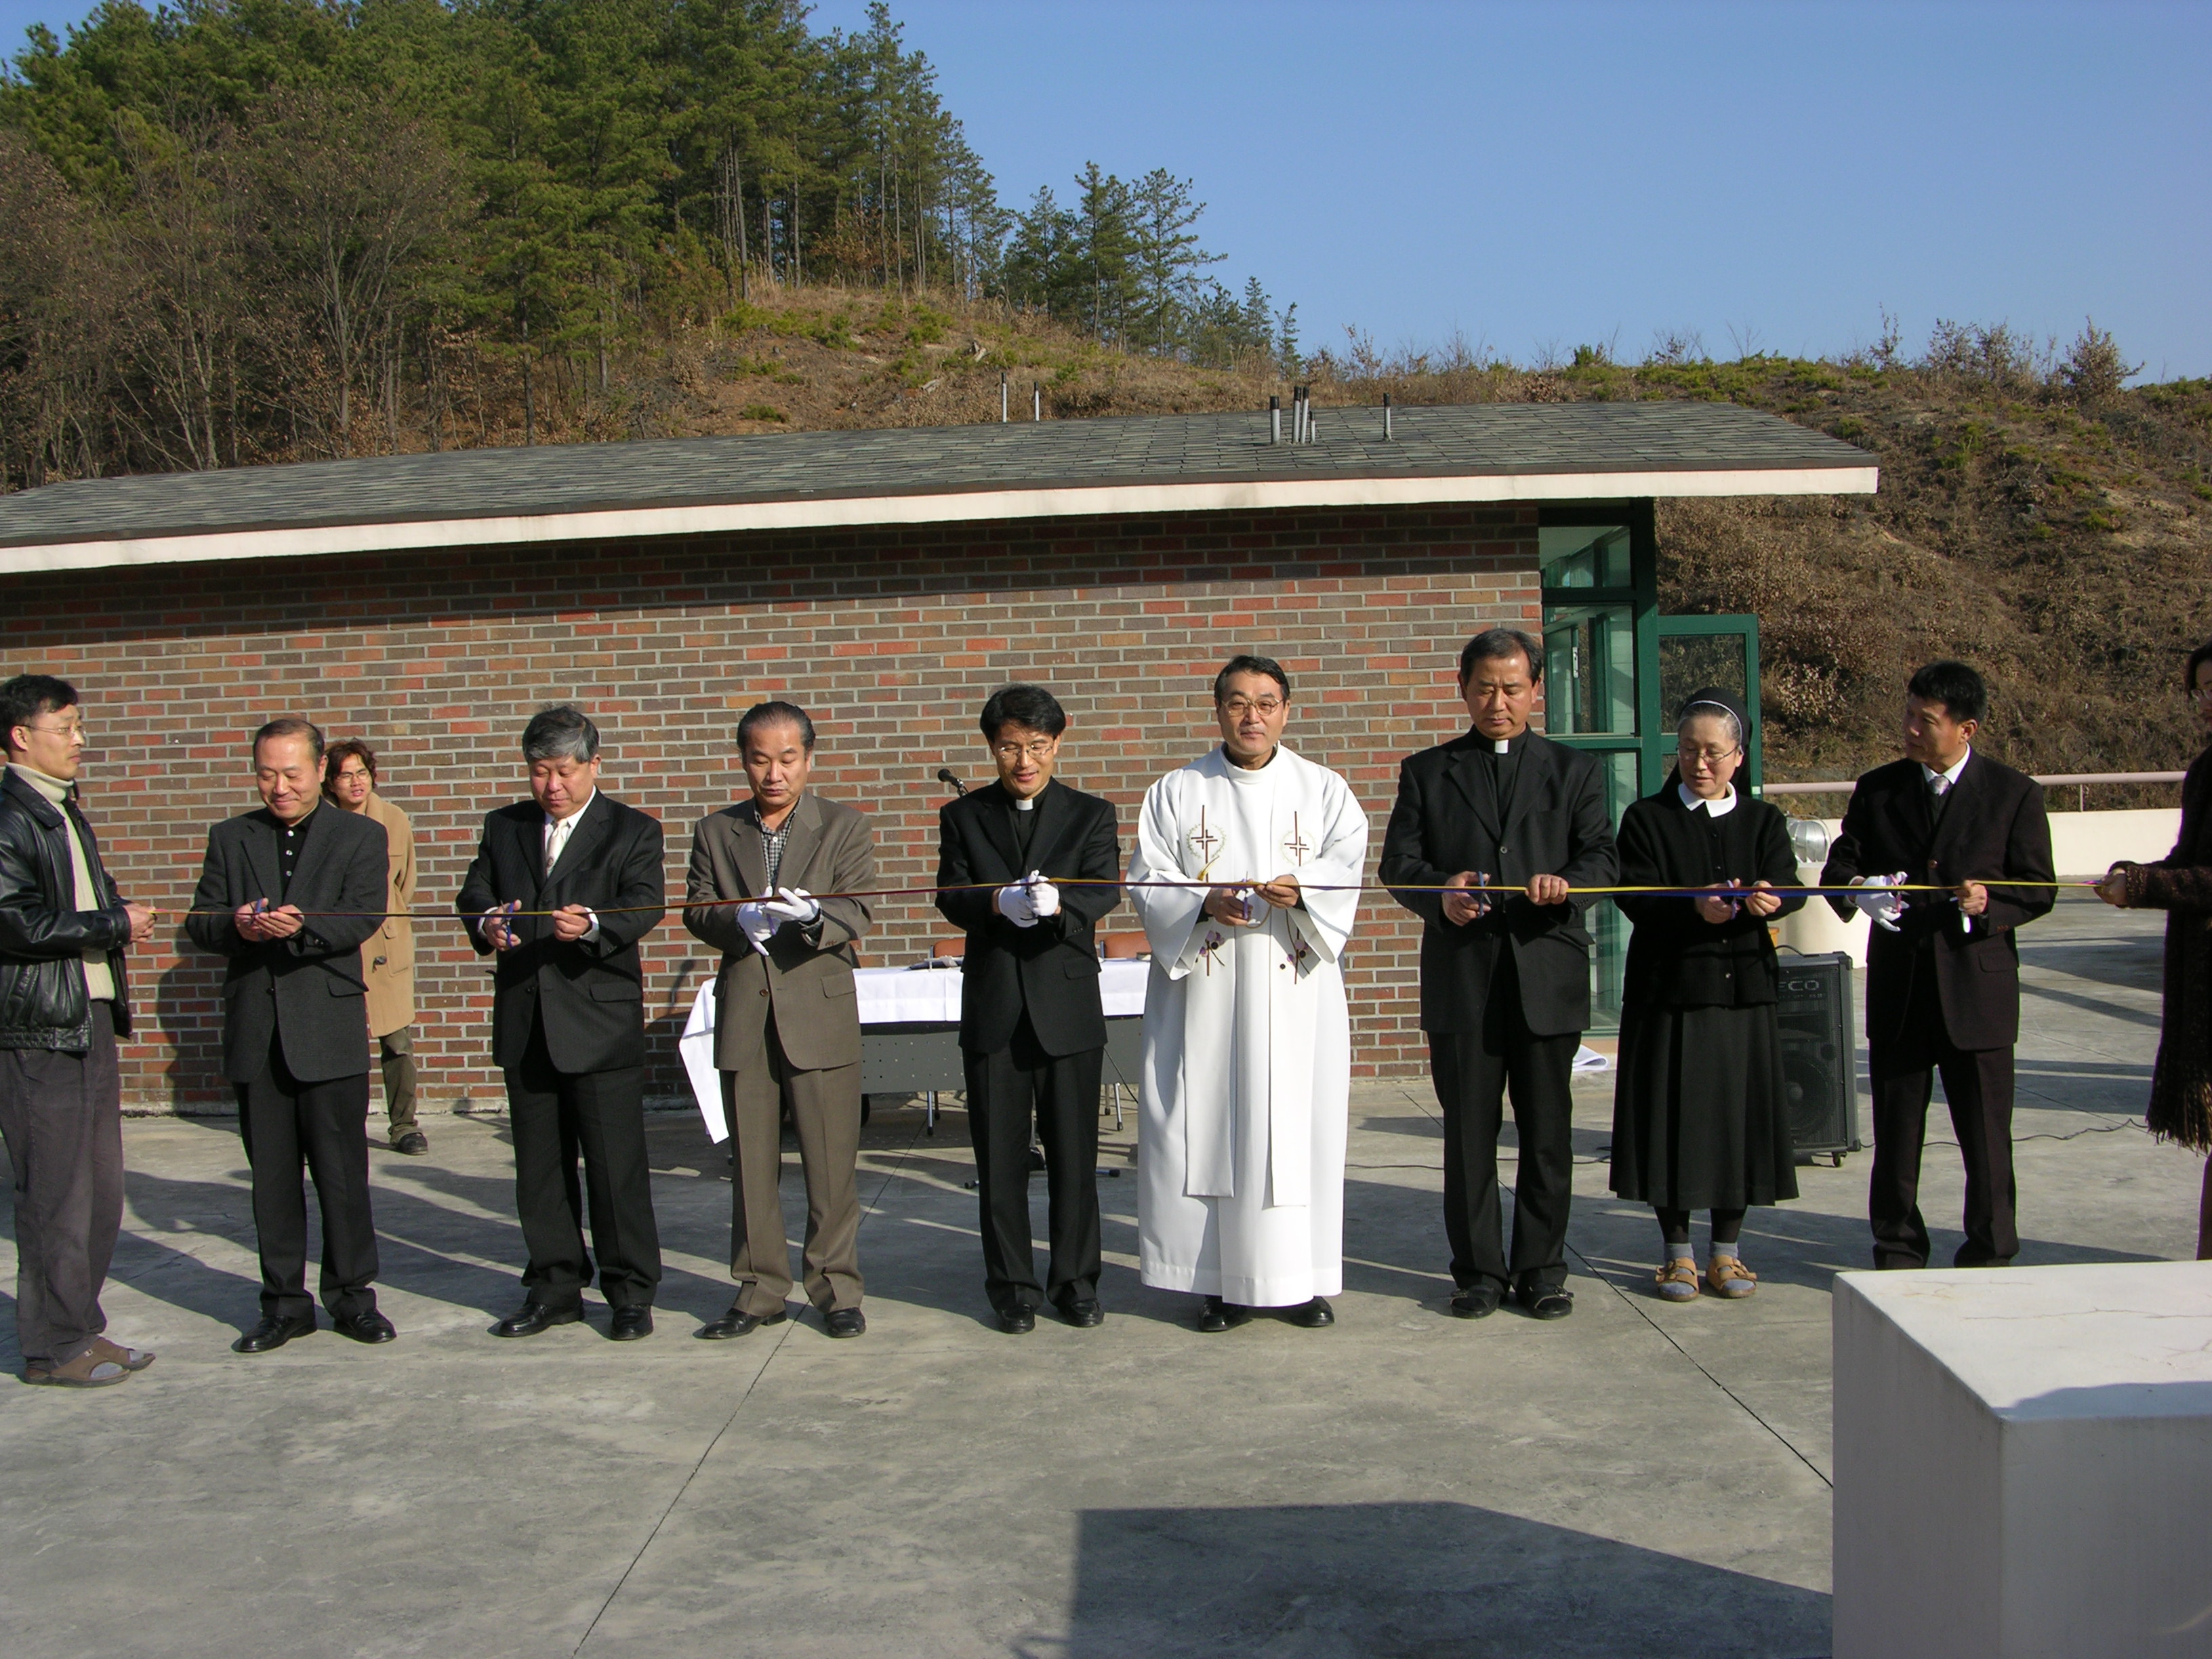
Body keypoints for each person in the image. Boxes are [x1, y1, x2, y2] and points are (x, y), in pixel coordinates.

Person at [1378, 628, 1618, 1322]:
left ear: (1537, 690)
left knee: (1547, 1136)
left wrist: (1567, 885)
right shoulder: (1429, 771)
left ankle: (1543, 1270)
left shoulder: (1574, 771)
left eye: (1513, 688)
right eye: (1485, 688)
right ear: (1462, 688)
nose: (1498, 702)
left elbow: (1603, 858)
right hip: (1464, 981)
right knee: (1468, 1138)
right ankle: (1478, 1272)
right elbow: (1399, 864)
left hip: (1546, 977)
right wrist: (1441, 894)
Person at [1129, 654, 1366, 1332]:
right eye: (1237, 703)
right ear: (1218, 711)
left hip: (1296, 988)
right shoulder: (1177, 791)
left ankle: (1300, 1281)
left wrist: (1305, 890)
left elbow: (1347, 861)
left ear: (1286, 711)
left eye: (1266, 703)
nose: (1251, 716)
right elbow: (1147, 877)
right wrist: (1203, 900)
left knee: (1298, 1130)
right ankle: (1217, 1285)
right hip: (1208, 989)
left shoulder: (1324, 790)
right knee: (1208, 1128)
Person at [1822, 661, 2055, 1270]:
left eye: (1925, 721)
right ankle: (1897, 1246)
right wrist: (1859, 890)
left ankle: (1991, 1248)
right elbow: (1837, 869)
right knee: (1897, 1135)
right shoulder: (1879, 789)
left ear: (1965, 728)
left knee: (1986, 1136)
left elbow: (2038, 887)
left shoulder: (2014, 794)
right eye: (1908, 715)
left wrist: (1989, 904)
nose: (1910, 729)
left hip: (1977, 992)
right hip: (1901, 989)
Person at [186, 717, 396, 1353]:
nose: (279, 787)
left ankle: (353, 1298)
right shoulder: (232, 836)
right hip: (258, 1031)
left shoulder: (359, 834)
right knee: (273, 1182)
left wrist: (303, 927)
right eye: (266, 774)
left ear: (320, 770)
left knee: (342, 1175)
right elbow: (200, 920)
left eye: (292, 774)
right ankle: (282, 1304)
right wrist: (238, 927)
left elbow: (365, 912)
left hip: (327, 1026)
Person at [457, 706, 666, 1340]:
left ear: (594, 765)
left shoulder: (632, 828)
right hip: (527, 1021)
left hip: (598, 1021)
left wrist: (596, 924)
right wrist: (487, 922)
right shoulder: (505, 826)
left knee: (614, 1169)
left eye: (565, 771)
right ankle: (554, 1287)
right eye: (539, 771)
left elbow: (644, 902)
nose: (552, 785)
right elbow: (474, 893)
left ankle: (629, 1292)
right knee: (540, 1169)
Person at [682, 702, 875, 1340]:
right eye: (760, 760)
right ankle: (759, 1290)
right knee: (751, 1165)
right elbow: (696, 908)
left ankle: (837, 1290)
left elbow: (859, 906)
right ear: (743, 761)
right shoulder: (716, 831)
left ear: (809, 759)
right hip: (746, 1011)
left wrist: (814, 919)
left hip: (818, 1011)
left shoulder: (843, 825)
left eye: (788, 759)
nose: (774, 774)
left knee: (831, 1163)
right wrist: (735, 920)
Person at [936, 684, 1124, 1334]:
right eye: (1010, 747)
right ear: (992, 747)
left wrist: (1060, 907)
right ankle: (1012, 1287)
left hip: (1065, 1005)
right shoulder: (964, 816)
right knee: (999, 1159)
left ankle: (1076, 1282)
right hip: (995, 1007)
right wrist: (996, 903)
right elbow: (951, 892)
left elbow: (1105, 887)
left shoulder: (1091, 813)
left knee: (1074, 1156)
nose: (1025, 761)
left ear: (1058, 742)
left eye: (1038, 746)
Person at [1607, 690, 1803, 1301]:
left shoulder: (1764, 821)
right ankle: (1676, 1254)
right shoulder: (1648, 818)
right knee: (1673, 1123)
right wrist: (1693, 906)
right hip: (1670, 992)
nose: (1700, 763)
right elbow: (1632, 893)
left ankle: (1728, 1251)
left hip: (1743, 990)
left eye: (1713, 752)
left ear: (1738, 757)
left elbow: (1790, 885)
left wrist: (1772, 898)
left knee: (1736, 1123)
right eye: (1689, 750)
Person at [0, 676, 159, 1387]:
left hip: (87, 1017)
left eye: (78, 726)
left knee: (98, 1191)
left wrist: (116, 909)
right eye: (64, 727)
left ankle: (81, 1329)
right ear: (20, 736)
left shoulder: (63, 808)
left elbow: (76, 901)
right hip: (38, 1028)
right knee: (54, 1195)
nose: (79, 740)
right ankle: (53, 1349)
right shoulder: (11, 816)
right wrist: (114, 923)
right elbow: (16, 922)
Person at [2094, 637, 2212, 1260]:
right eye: (2203, 691)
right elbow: (2188, 861)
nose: (2208, 703)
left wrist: (2142, 886)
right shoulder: (2206, 769)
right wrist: (2132, 878)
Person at [325, 739, 425, 1155]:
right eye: (346, 775)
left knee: (397, 1040)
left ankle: (404, 1125)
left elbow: (406, 882)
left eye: (362, 773)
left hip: (386, 943)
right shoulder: (322, 824)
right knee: (334, 1042)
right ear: (330, 782)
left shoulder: (394, 819)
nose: (356, 782)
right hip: (337, 945)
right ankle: (334, 1130)